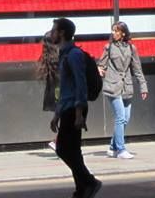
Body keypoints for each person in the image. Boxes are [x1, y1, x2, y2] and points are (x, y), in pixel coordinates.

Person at [49, 18, 101, 198]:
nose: (51, 33)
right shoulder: (64, 54)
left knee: (63, 149)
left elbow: (80, 85)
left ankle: (90, 182)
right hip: (68, 108)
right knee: (73, 150)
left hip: (75, 109)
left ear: (62, 33)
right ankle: (82, 189)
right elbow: (65, 89)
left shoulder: (73, 55)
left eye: (54, 30)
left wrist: (79, 113)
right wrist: (56, 114)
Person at [97, 22, 148, 160]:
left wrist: (143, 86)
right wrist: (99, 69)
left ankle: (113, 147)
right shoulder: (109, 47)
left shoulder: (132, 48)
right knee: (120, 117)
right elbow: (100, 64)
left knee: (125, 118)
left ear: (123, 33)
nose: (113, 33)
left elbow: (137, 69)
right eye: (113, 31)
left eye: (116, 31)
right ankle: (121, 149)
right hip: (112, 86)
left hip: (126, 86)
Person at [36, 30, 60, 152]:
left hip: (56, 90)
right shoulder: (58, 58)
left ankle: (58, 141)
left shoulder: (48, 57)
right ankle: (58, 141)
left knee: (62, 115)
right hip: (61, 90)